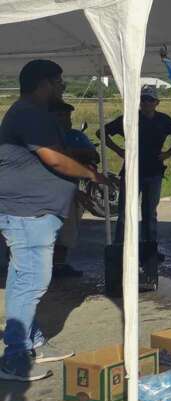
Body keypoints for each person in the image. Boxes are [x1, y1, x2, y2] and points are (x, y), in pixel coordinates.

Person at [0, 60, 112, 382]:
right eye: (59, 81)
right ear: (43, 83)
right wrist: (93, 175)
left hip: (31, 212)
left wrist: (70, 192)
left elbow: (42, 165)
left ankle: (31, 342)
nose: (63, 87)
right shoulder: (30, 114)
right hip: (28, 214)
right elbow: (53, 159)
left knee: (23, 281)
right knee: (32, 283)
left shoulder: (31, 114)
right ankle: (14, 358)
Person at [103, 86, 171, 260]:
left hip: (154, 172)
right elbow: (102, 132)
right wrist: (119, 150)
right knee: (126, 212)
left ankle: (150, 251)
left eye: (150, 100)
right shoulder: (129, 119)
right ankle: (120, 250)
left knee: (150, 213)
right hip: (131, 171)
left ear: (157, 103)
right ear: (139, 102)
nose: (146, 103)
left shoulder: (164, 120)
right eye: (143, 99)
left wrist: (168, 153)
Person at [48, 101, 98, 279]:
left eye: (68, 116)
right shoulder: (46, 137)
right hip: (48, 191)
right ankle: (47, 267)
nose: (66, 120)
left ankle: (60, 265)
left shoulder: (76, 135)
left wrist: (71, 154)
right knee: (48, 231)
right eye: (61, 116)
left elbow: (94, 155)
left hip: (71, 188)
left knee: (68, 230)